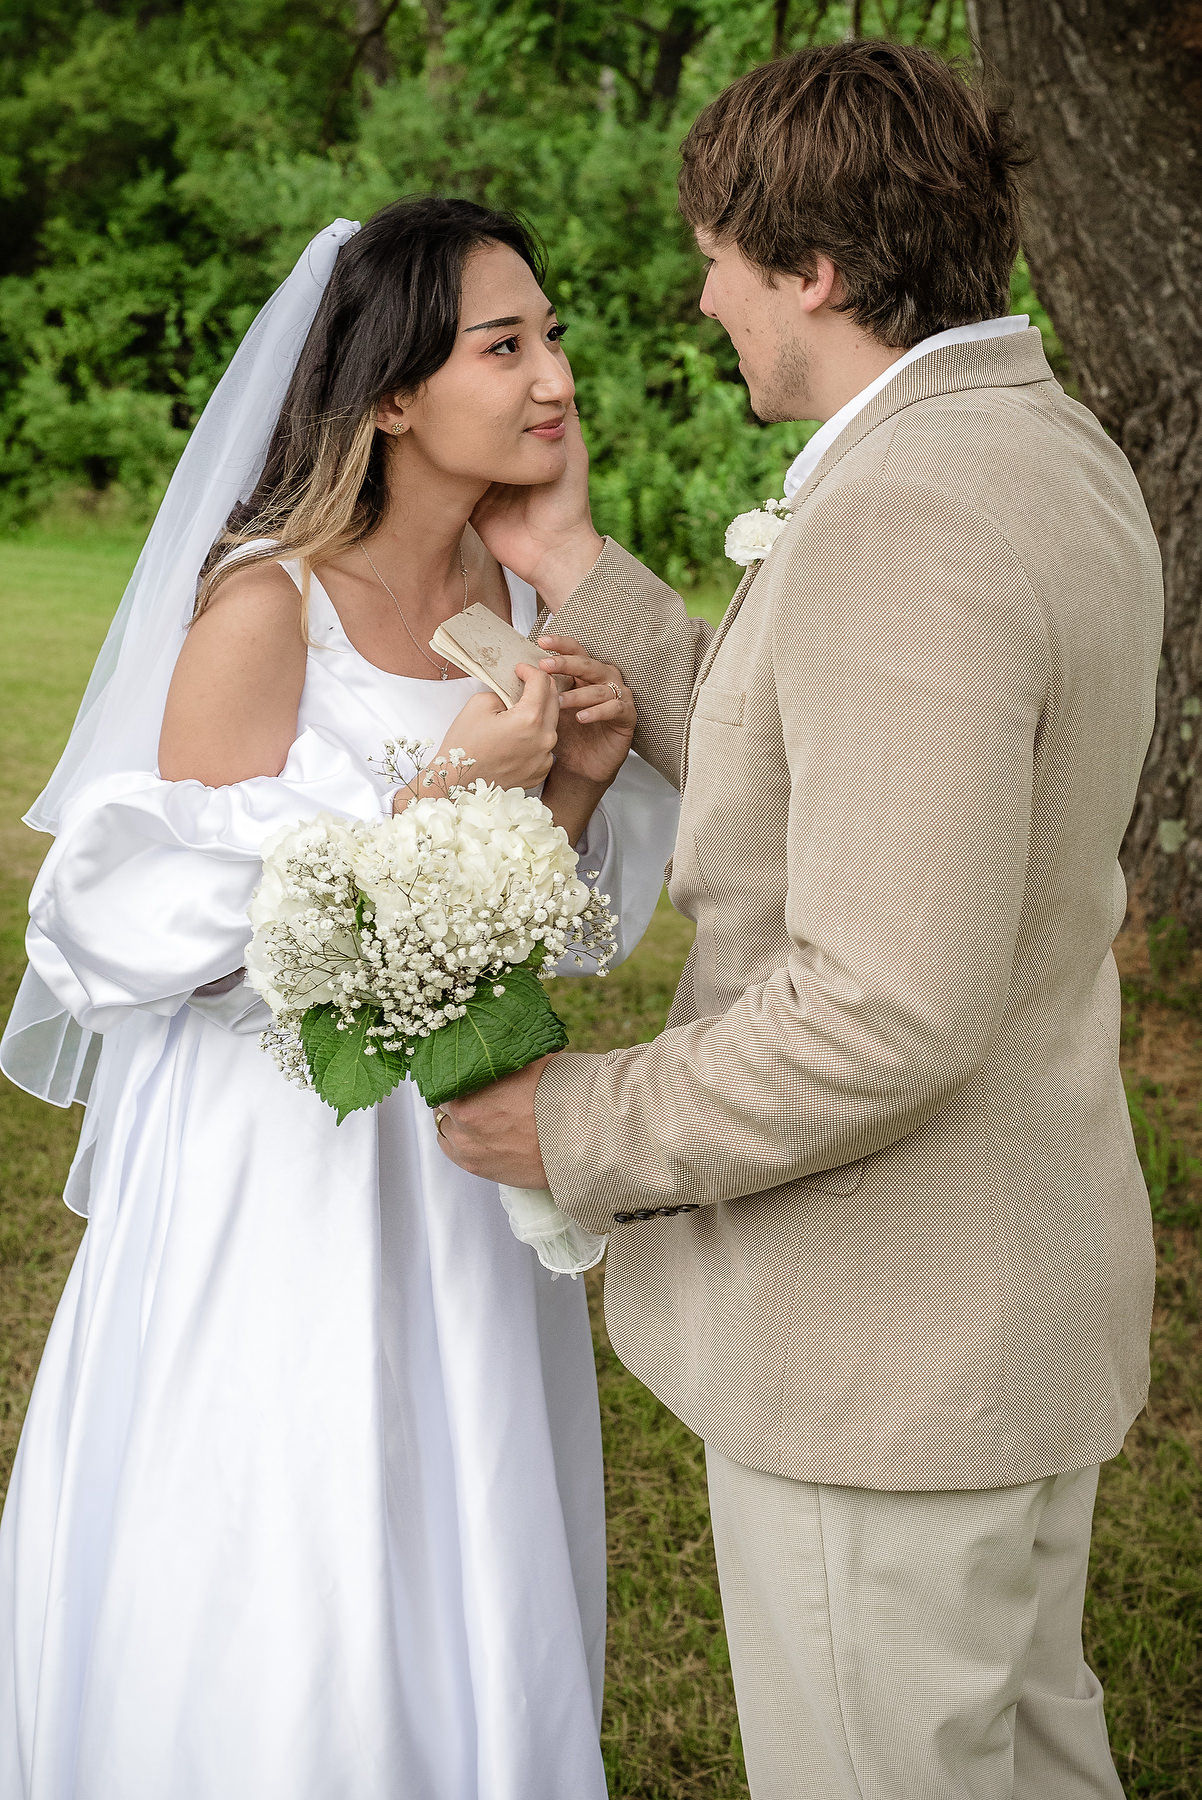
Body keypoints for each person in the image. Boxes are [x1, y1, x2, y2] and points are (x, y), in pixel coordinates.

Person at [441, 43, 1162, 1800]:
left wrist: (579, 1124)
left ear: (812, 270)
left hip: (886, 1361)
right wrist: (583, 567)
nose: (700, 299)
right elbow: (828, 765)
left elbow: (883, 1011)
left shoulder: (904, 512)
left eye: (717, 255)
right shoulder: (1037, 447)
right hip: (1001, 1312)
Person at [0, 197, 677, 1800]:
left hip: (457, 1163)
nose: (553, 379)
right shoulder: (267, 604)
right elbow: (144, 916)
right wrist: (441, 776)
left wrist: (569, 792)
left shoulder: (523, 620)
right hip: (281, 1160)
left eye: (553, 336)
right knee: (287, 1524)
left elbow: (515, 938)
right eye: (503, 346)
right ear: (388, 395)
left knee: (461, 1516)